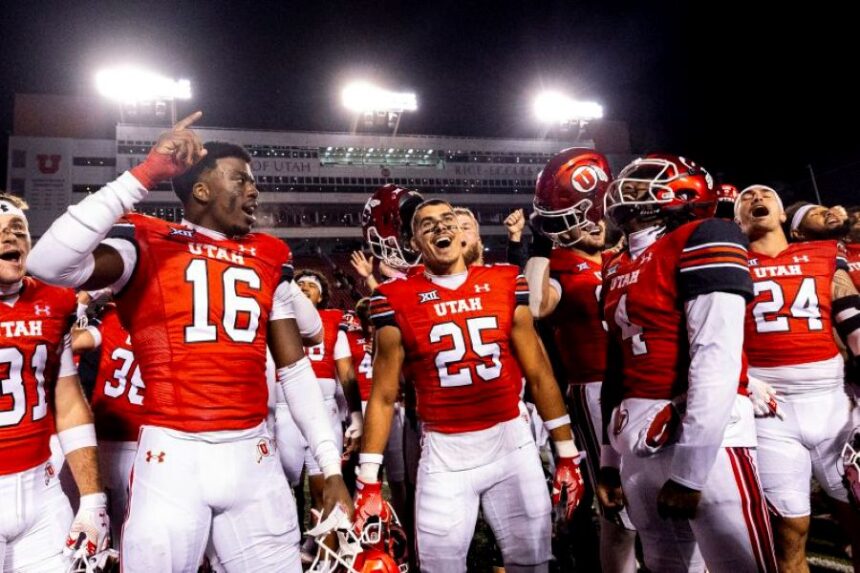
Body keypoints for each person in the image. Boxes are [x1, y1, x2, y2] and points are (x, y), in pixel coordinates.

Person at [27, 112, 351, 572]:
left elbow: (294, 370)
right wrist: (145, 174)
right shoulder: (147, 241)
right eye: (239, 179)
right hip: (172, 456)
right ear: (201, 190)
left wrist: (330, 467)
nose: (253, 190)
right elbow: (46, 263)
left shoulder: (268, 255)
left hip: (253, 457)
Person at [357, 199, 584, 572]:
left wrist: (566, 451)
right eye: (426, 224)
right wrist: (368, 480)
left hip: (512, 444)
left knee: (533, 563)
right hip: (445, 452)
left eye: (447, 219)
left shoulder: (506, 281)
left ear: (462, 233)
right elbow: (382, 397)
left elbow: (539, 372)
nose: (440, 227)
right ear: (413, 243)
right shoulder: (393, 297)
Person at [598, 154, 777, 572]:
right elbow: (615, 367)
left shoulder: (706, 234)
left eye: (644, 182)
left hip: (706, 441)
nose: (630, 189)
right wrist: (609, 462)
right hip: (636, 444)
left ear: (685, 192)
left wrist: (692, 468)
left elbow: (716, 354)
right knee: (666, 565)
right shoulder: (617, 264)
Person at [735, 185, 860, 571]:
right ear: (737, 219)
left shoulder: (823, 253)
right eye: (746, 197)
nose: (756, 197)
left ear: (783, 214)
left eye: (765, 193)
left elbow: (853, 320)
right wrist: (741, 380)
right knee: (788, 534)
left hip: (833, 403)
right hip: (769, 409)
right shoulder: (729, 261)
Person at [526, 147, 637, 573]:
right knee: (618, 507)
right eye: (582, 218)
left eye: (596, 217)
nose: (594, 225)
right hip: (594, 387)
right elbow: (536, 304)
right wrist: (540, 240)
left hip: (644, 382)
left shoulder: (618, 259)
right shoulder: (558, 264)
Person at [0, 193, 110, 570]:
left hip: (42, 493)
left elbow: (68, 400)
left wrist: (93, 498)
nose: (10, 238)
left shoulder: (54, 301)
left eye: (18, 230)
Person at [71, 294, 144, 546]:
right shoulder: (161, 329)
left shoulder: (114, 320)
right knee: (126, 535)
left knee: (99, 530)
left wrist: (82, 302)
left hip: (112, 442)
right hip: (126, 443)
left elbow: (73, 342)